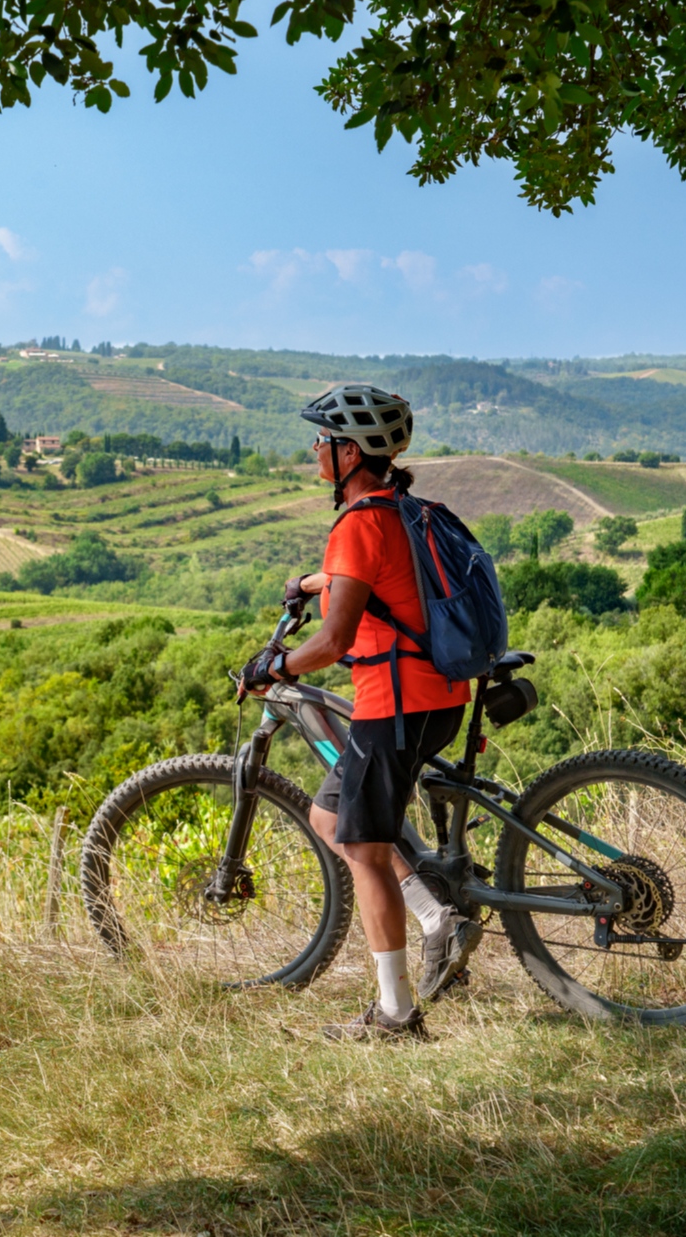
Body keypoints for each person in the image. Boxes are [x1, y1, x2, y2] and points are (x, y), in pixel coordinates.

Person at [252, 385, 479, 1040]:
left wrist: (273, 666)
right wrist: (314, 582)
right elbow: (380, 580)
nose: (314, 451)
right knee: (331, 815)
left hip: (395, 705)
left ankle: (397, 1015)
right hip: (436, 696)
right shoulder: (398, 509)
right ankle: (437, 919)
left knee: (363, 847)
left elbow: (333, 642)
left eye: (321, 440)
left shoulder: (356, 524)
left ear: (349, 451)